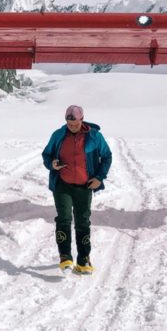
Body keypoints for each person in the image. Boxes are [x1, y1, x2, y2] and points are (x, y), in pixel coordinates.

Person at [41, 104, 112, 275]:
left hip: (84, 186)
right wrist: (52, 164)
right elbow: (46, 154)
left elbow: (107, 156)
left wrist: (99, 178)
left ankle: (84, 259)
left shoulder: (95, 137)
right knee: (64, 218)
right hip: (62, 185)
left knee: (82, 221)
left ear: (82, 119)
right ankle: (65, 256)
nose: (72, 126)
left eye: (75, 123)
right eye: (69, 123)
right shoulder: (59, 135)